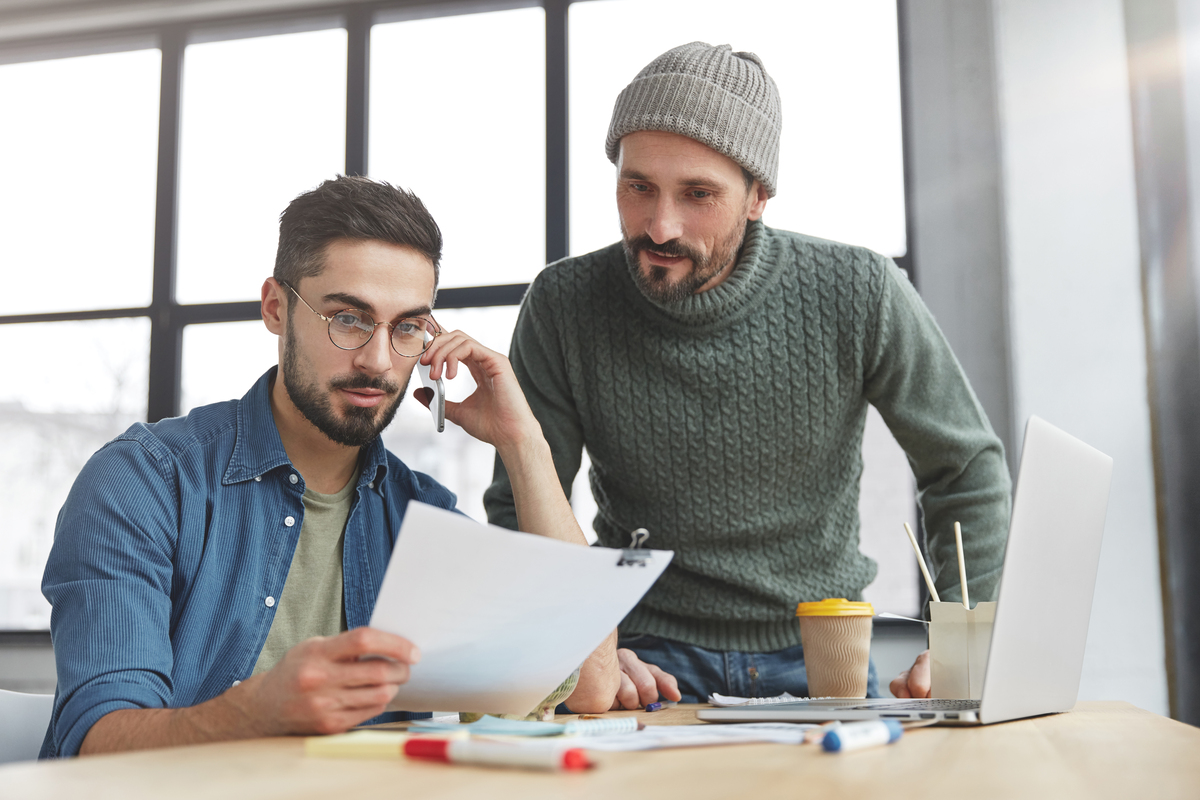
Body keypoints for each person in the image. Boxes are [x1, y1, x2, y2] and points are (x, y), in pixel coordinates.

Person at [484, 42, 1011, 707]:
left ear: (758, 195)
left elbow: (963, 469)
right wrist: (589, 646)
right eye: (637, 185)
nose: (659, 224)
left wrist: (967, 640)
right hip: (645, 661)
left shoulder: (859, 289)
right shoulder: (563, 305)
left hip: (824, 650)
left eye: (697, 194)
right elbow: (522, 502)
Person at [40, 176, 619, 759]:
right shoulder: (143, 483)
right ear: (275, 307)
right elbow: (97, 747)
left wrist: (524, 443)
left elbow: (590, 685)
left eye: (408, 328)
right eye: (348, 318)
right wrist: (259, 711)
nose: (377, 361)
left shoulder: (423, 516)